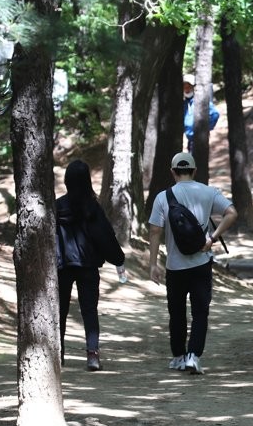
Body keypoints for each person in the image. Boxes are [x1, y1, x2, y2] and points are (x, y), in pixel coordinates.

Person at [148, 151, 238, 374]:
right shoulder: (209, 192)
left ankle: (178, 356)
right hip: (201, 263)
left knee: (176, 312)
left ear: (173, 172)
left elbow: (154, 231)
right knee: (200, 311)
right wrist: (213, 237)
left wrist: (152, 264)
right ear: (195, 171)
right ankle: (194, 356)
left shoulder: (163, 197)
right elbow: (231, 213)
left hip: (174, 266)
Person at [54, 160, 126, 372]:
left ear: (67, 181)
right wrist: (118, 259)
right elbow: (105, 237)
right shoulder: (92, 208)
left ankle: (58, 354)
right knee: (89, 311)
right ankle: (92, 356)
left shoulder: (57, 207)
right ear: (87, 181)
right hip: (88, 266)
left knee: (60, 311)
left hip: (62, 266)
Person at [182, 74, 220, 153]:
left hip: (200, 139)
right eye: (185, 87)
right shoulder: (184, 104)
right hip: (190, 141)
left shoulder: (200, 100)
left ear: (193, 87)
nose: (187, 89)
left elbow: (215, 114)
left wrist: (207, 127)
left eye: (189, 86)